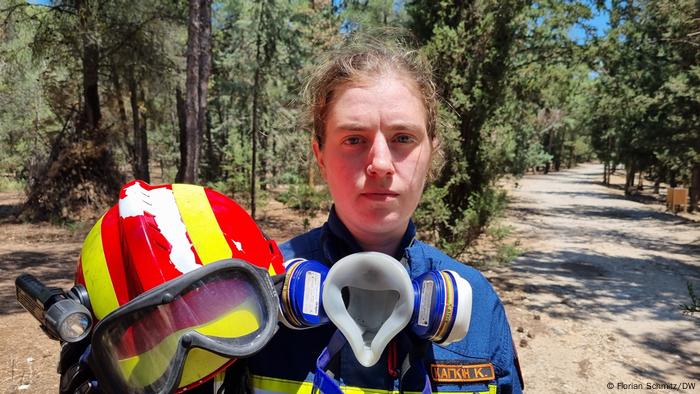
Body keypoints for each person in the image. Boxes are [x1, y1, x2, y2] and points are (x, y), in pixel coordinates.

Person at [247, 37, 523, 394]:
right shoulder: (256, 291)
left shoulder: (480, 304)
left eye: (403, 138)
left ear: (431, 154)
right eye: (354, 139)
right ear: (320, 155)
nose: (379, 163)